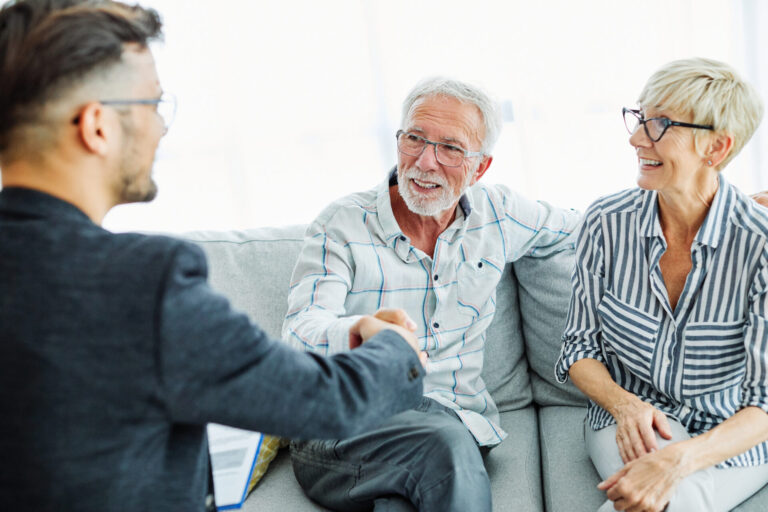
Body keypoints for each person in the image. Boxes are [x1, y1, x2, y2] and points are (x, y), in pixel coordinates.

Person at [0, 1, 426, 511]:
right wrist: (395, 349)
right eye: (152, 104)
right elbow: (324, 401)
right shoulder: (143, 285)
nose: (160, 128)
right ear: (98, 126)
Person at [283, 77, 581, 511]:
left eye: (451, 148)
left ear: (480, 168)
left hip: (451, 424)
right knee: (443, 444)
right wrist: (357, 330)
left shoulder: (499, 215)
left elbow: (583, 228)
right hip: (345, 425)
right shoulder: (343, 223)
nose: (425, 161)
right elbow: (300, 330)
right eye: (415, 139)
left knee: (415, 482)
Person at [556, 57, 768, 512]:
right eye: (639, 118)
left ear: (717, 148)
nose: (635, 138)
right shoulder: (605, 223)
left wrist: (678, 460)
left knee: (669, 499)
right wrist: (625, 405)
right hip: (633, 417)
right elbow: (578, 350)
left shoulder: (760, 245)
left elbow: (763, 403)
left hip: (731, 437)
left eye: (659, 124)